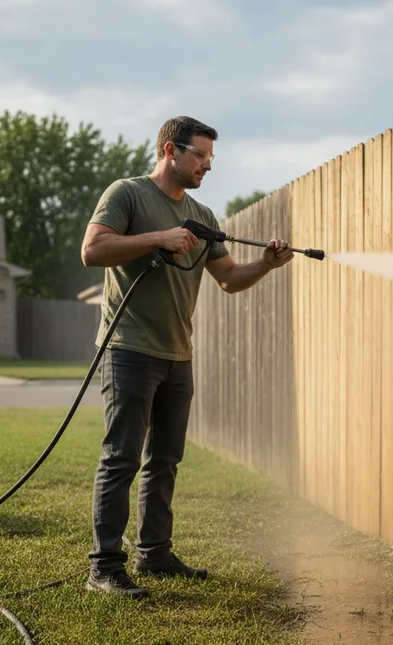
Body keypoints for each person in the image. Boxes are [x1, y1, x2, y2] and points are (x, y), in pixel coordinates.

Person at [79, 115, 293, 598]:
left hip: (178, 352)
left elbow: (229, 279)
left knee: (165, 460)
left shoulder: (204, 215)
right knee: (121, 459)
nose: (206, 166)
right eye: (200, 155)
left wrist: (265, 263)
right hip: (129, 348)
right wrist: (160, 238)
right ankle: (105, 568)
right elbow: (92, 250)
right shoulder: (127, 194)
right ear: (170, 151)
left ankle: (153, 555)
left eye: (210, 159)